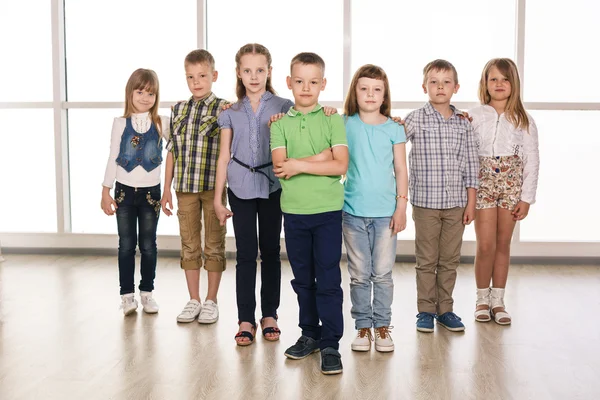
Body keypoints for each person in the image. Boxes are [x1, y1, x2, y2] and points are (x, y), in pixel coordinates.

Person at [270, 52, 348, 375]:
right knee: (303, 280)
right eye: (299, 81)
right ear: (289, 83)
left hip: (328, 211)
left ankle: (331, 343)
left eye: (313, 82)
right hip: (295, 213)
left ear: (323, 84)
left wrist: (300, 163)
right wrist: (322, 157)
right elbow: (279, 168)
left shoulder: (333, 118)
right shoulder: (278, 124)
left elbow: (341, 165)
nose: (306, 87)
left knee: (328, 278)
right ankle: (309, 334)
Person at [404, 59, 479, 333]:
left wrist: (471, 203)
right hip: (425, 203)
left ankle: (444, 309)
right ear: (425, 86)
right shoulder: (415, 118)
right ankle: (425, 310)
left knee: (449, 260)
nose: (440, 87)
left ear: (456, 87)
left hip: (456, 204)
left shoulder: (463, 124)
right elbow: (394, 143)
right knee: (426, 260)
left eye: (446, 82)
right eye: (434, 82)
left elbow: (472, 165)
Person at [341, 64, 408, 352]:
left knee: (382, 274)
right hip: (352, 211)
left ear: (384, 95)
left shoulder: (394, 128)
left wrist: (401, 207)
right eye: (364, 88)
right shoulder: (343, 124)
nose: (370, 94)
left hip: (386, 215)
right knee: (359, 274)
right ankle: (362, 327)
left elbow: (402, 171)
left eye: (376, 89)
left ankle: (382, 326)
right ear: (355, 92)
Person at [469, 58, 539, 325]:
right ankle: (481, 300)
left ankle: (498, 300)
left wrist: (526, 198)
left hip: (512, 185)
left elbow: (532, 160)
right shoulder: (474, 115)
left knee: (502, 244)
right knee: (485, 245)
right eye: (493, 79)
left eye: (505, 79)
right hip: (483, 182)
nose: (499, 84)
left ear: (514, 84)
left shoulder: (524, 120)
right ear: (485, 83)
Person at [160, 49, 228, 324]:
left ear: (214, 75)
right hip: (185, 187)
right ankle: (194, 300)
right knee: (189, 245)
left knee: (213, 244)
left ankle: (211, 301)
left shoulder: (224, 108)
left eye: (202, 76)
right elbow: (172, 151)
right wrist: (167, 188)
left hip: (213, 188)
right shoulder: (178, 109)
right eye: (191, 77)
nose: (196, 82)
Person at [101, 68, 169, 315]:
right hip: (124, 193)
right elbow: (112, 156)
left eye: (150, 93)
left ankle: (147, 293)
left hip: (151, 193)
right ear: (130, 93)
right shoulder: (120, 123)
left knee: (149, 245)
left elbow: (176, 146)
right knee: (126, 245)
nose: (144, 97)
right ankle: (127, 296)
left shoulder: (162, 122)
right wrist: (105, 190)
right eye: (139, 91)